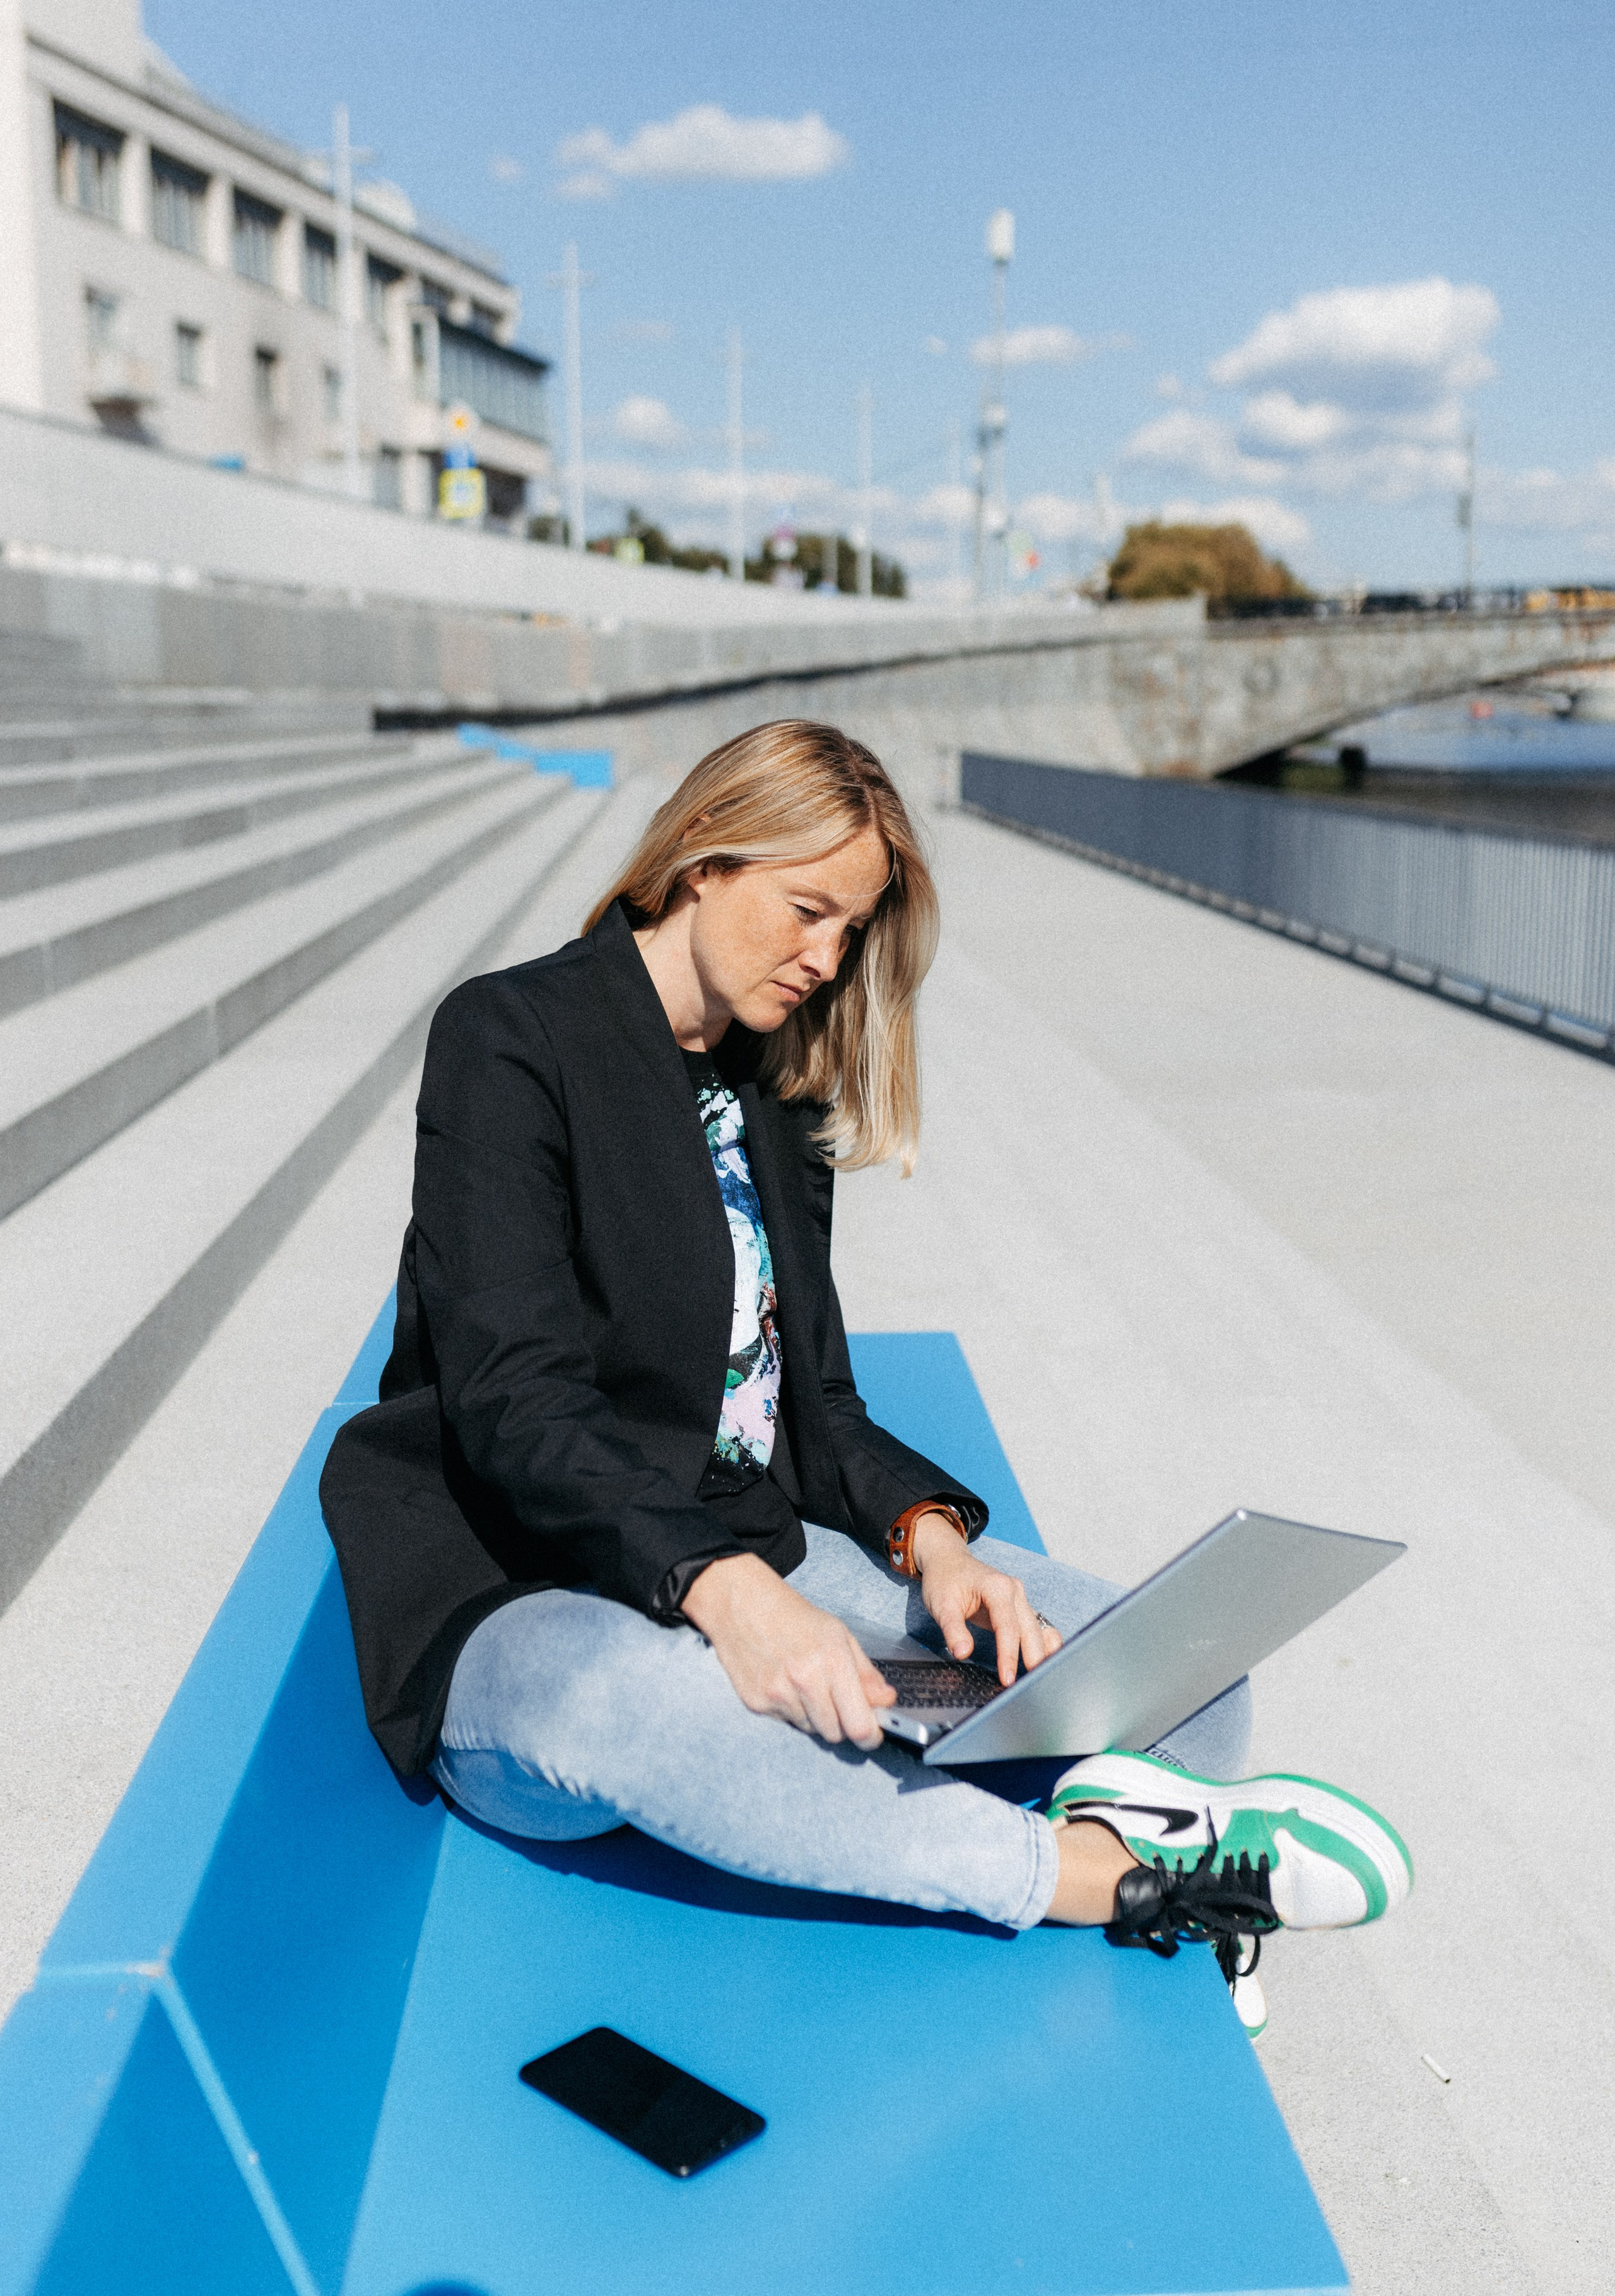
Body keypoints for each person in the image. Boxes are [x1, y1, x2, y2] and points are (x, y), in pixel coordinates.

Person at [320, 719, 1409, 2036]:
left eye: (852, 930)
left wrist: (930, 1546)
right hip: (524, 1596)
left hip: (751, 1549)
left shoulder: (767, 1093)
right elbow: (512, 1400)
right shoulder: (512, 1038)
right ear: (703, 860)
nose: (826, 960)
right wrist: (725, 1598)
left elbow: (815, 1402)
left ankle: (1117, 1819)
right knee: (649, 1701)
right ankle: (1098, 1881)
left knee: (1178, 1671)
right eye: (807, 911)